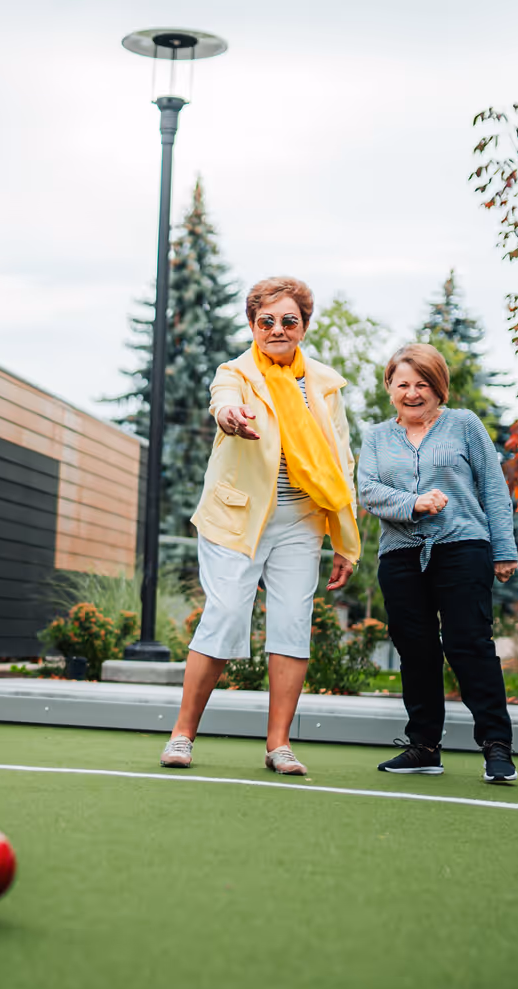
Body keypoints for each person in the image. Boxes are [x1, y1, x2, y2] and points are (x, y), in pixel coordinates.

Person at [159, 276, 360, 775]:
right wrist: (231, 416)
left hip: (302, 519)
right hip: (238, 516)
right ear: (252, 324)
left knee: (292, 622)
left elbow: (342, 462)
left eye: (288, 320)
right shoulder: (236, 372)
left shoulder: (325, 385)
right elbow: (222, 403)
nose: (277, 329)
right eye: (266, 320)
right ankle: (182, 735)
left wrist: (345, 541)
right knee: (226, 614)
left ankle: (279, 745)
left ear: (304, 327)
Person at [356, 342, 518, 783]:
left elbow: (493, 488)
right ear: (389, 386)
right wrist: (414, 503)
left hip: (462, 546)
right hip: (400, 555)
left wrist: (503, 549)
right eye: (403, 383)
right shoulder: (376, 436)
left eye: (422, 384)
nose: (412, 393)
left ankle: (496, 745)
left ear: (439, 387)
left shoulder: (463, 425)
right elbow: (367, 490)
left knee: (469, 645)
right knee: (417, 652)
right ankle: (424, 747)